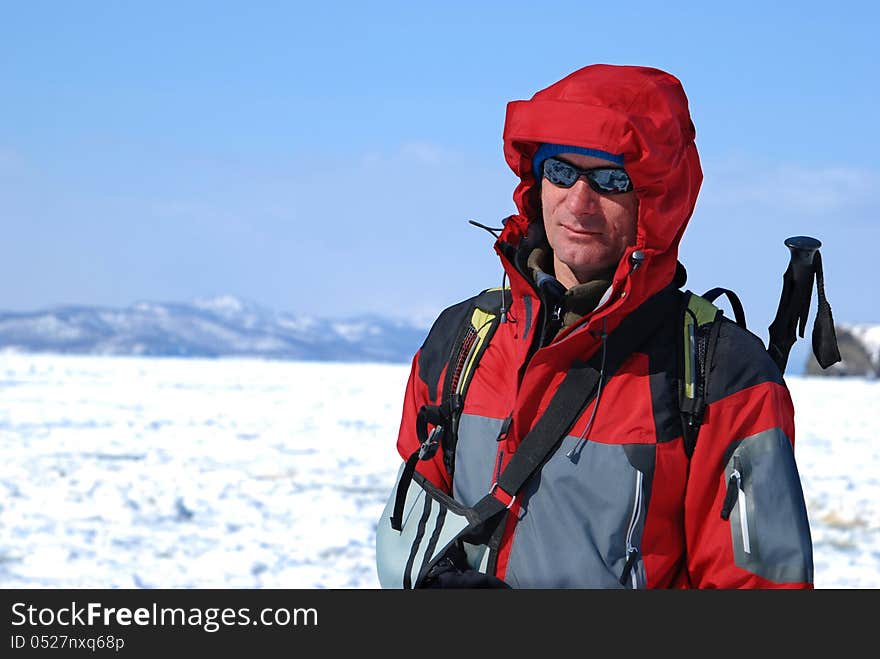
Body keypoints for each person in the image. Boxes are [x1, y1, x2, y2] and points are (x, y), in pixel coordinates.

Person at [379, 64, 814, 588]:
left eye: (611, 179)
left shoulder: (722, 375)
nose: (579, 203)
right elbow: (412, 535)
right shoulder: (462, 341)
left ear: (657, 200)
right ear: (534, 184)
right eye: (560, 171)